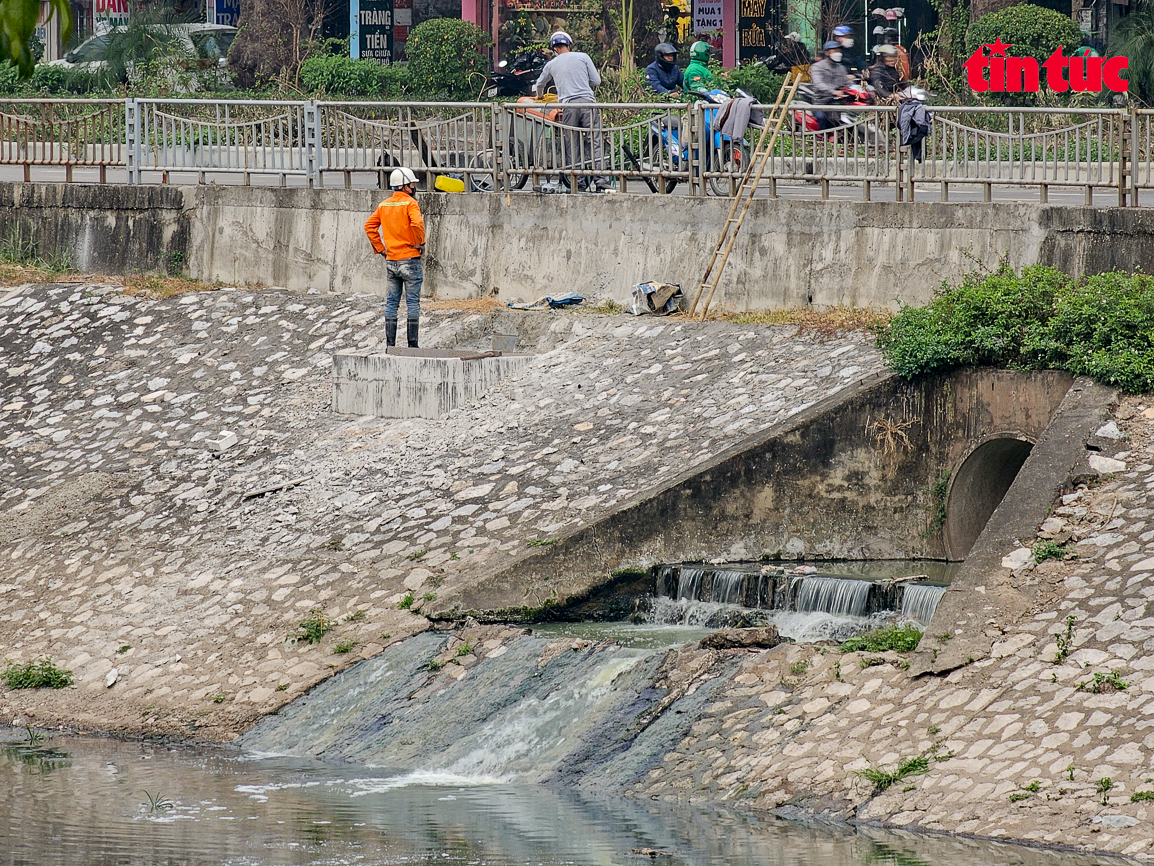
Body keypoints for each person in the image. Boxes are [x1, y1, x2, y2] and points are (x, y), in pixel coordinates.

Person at [534, 31, 612, 191]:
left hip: (568, 107)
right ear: (569, 45)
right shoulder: (583, 57)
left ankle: (579, 182)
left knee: (572, 143)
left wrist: (540, 97)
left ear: (554, 48)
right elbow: (596, 80)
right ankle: (601, 181)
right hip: (588, 104)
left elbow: (540, 84)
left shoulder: (551, 64)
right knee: (594, 141)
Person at [364, 167, 425, 349]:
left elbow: (369, 227)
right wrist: (420, 242)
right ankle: (412, 347)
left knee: (392, 303)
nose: (414, 187)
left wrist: (381, 249)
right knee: (412, 303)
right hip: (410, 259)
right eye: (412, 184)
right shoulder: (410, 203)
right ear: (405, 186)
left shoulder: (384, 205)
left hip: (391, 261)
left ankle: (390, 346)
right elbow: (417, 223)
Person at [809, 40, 852, 128]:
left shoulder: (841, 68)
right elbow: (818, 84)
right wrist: (833, 92)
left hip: (838, 102)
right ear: (827, 52)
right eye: (834, 50)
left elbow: (847, 82)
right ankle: (822, 139)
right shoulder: (817, 67)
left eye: (838, 51)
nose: (838, 53)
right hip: (821, 102)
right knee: (823, 118)